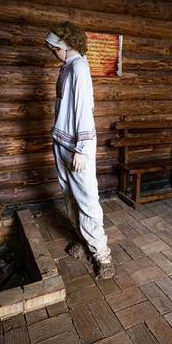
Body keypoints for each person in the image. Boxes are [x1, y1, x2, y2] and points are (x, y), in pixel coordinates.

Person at [45, 22, 114, 280]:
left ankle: (102, 256)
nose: (53, 52)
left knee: (87, 200)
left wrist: (83, 149)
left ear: (66, 44)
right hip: (62, 142)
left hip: (77, 147)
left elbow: (84, 109)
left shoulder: (79, 68)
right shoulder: (67, 67)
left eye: (55, 47)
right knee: (70, 197)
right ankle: (83, 240)